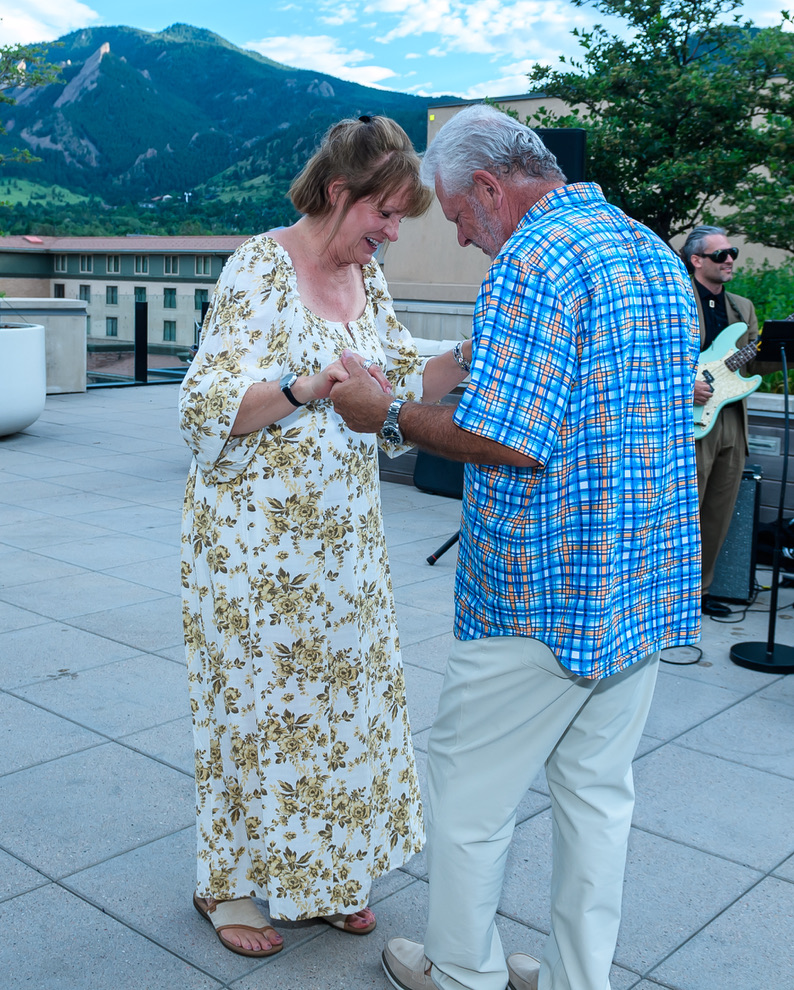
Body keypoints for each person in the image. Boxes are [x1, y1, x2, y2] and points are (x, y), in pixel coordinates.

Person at [330, 104, 701, 990]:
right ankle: (581, 979)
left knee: (468, 798)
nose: (463, 238)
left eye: (459, 216)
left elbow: (513, 439)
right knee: (598, 802)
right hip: (638, 586)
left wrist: (381, 414)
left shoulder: (532, 259)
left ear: (491, 188)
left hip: (543, 592)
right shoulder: (646, 248)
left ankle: (460, 970)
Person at [178, 115, 473, 958]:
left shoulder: (366, 278)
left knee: (344, 709)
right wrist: (303, 385)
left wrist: (480, 344)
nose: (390, 231)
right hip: (248, 547)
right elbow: (204, 409)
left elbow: (399, 365)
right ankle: (226, 884)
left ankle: (329, 875)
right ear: (338, 193)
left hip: (340, 540)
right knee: (256, 708)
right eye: (384, 213)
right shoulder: (259, 266)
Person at [681, 225, 759, 618]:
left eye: (732, 252)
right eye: (719, 254)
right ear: (696, 261)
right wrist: (682, 385)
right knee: (682, 513)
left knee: (718, 512)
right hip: (685, 422)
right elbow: (649, 356)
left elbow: (750, 361)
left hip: (730, 419)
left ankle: (701, 592)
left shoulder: (743, 308)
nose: (729, 259)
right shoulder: (676, 300)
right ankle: (668, 593)